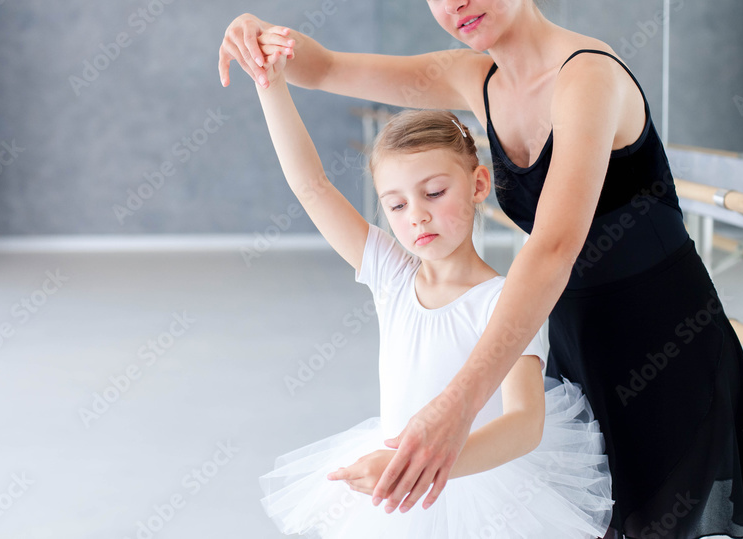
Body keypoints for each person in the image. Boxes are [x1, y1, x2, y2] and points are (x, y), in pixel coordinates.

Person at [221, 0, 743, 539]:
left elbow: (553, 246)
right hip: (568, 330)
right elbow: (323, 67)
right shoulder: (471, 77)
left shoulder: (586, 78)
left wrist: (453, 410)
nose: (452, 1)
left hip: (660, 337)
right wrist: (255, 31)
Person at [251, 28, 614, 537]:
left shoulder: (507, 301)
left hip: (480, 490)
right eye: (397, 205)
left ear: (478, 185)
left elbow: (525, 425)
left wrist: (422, 468)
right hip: (396, 483)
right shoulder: (391, 274)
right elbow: (311, 187)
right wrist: (270, 83)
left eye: (435, 192)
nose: (417, 216)